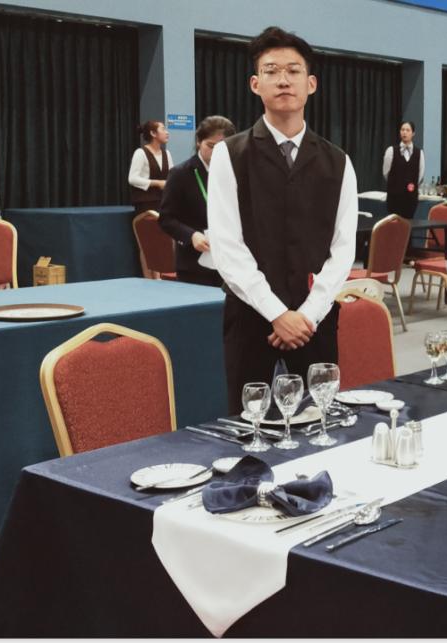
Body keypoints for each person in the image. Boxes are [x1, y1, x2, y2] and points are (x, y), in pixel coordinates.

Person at [206, 26, 357, 413]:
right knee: (248, 428)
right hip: (250, 318)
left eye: (293, 70)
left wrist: (306, 315)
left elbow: (343, 249)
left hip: (314, 321)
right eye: (271, 71)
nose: (283, 80)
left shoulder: (338, 161)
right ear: (255, 84)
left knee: (319, 424)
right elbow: (226, 245)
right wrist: (276, 313)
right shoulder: (229, 154)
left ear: (311, 84)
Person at [158, 115, 236, 287]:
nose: (216, 152)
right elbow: (166, 219)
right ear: (199, 142)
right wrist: (191, 235)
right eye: (211, 146)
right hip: (195, 265)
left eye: (223, 147)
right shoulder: (180, 174)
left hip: (232, 262)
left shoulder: (236, 171)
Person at [129, 120, 174, 214]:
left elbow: (171, 176)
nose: (167, 132)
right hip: (146, 202)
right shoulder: (140, 153)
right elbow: (132, 179)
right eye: (163, 129)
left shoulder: (167, 153)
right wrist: (157, 183)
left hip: (164, 201)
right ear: (153, 133)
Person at [382, 120, 424, 219]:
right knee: (394, 223)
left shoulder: (419, 153)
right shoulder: (391, 150)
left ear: (413, 133)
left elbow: (420, 175)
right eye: (402, 130)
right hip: (394, 197)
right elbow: (386, 173)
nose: (404, 132)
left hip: (411, 198)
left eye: (408, 130)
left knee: (408, 224)